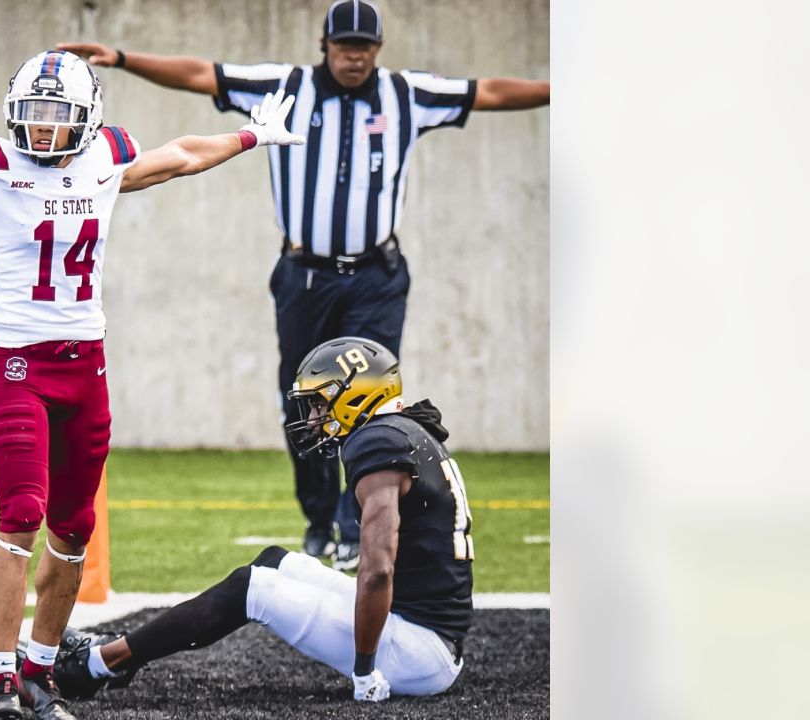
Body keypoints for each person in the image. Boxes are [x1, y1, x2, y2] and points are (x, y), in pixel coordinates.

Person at [0, 50, 304, 720]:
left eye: (56, 116)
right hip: (17, 365)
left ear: (86, 117)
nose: (41, 130)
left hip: (85, 367)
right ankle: (0, 681)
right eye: (32, 115)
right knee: (20, 515)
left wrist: (249, 137)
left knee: (74, 527)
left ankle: (40, 671)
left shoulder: (105, 162)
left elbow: (181, 154)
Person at [59, 0, 547, 569]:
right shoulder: (284, 87)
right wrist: (120, 57)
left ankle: (351, 522)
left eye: (364, 48)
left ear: (378, 50)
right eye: (345, 47)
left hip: (377, 275)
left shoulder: (405, 94)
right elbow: (202, 74)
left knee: (371, 399)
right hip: (304, 275)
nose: (354, 58)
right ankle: (319, 517)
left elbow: (486, 92)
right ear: (325, 45)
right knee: (303, 400)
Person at [51, 336, 475, 703]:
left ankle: (99, 665)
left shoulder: (376, 442)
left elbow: (378, 571)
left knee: (250, 589)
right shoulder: (405, 430)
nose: (313, 419)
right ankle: (119, 656)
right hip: (422, 633)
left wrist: (364, 671)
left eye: (320, 404)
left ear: (355, 397)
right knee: (273, 560)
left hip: (418, 650)